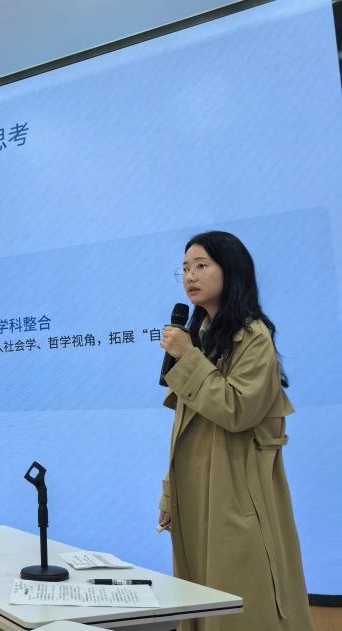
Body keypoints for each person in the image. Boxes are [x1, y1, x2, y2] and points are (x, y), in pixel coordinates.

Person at [158, 231, 313, 631]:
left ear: (232, 270)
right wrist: (170, 492)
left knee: (239, 602)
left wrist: (188, 357)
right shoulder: (202, 336)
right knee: (201, 598)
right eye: (185, 269)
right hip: (197, 491)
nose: (190, 276)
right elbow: (184, 427)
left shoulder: (253, 335)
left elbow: (236, 410)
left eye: (201, 265)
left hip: (236, 492)